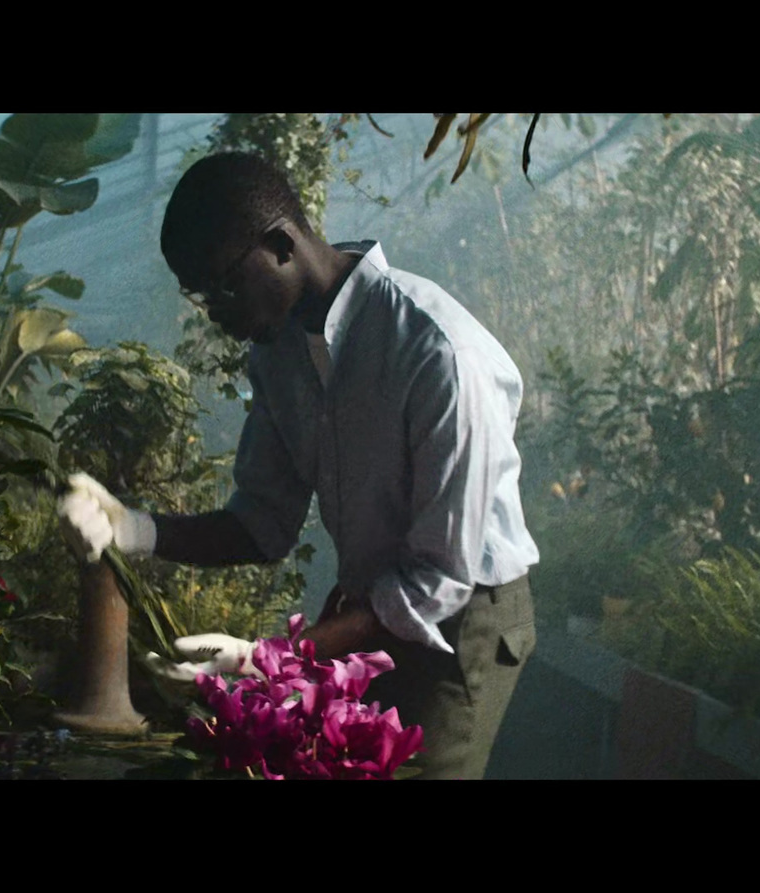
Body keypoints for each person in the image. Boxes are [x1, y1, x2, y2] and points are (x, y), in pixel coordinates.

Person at [58, 151, 540, 779]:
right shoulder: (280, 351)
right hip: (376, 609)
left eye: (224, 287)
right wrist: (134, 529)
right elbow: (262, 525)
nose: (219, 315)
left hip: (464, 618)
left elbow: (438, 580)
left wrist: (272, 658)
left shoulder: (435, 353)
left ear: (281, 244)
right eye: (200, 297)